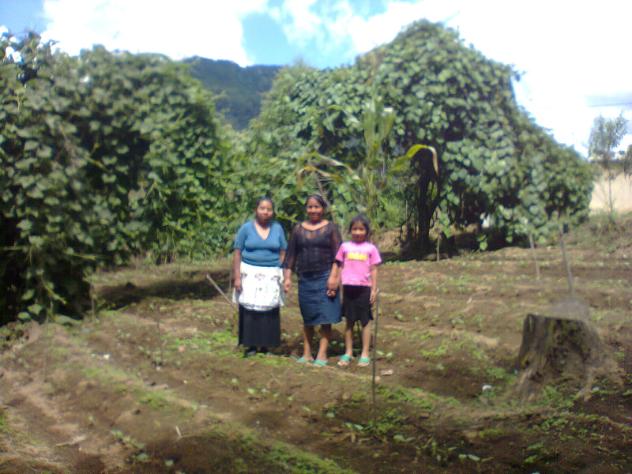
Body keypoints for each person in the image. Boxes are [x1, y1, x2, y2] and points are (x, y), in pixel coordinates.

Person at [283, 194, 342, 366]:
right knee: (308, 317)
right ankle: (307, 353)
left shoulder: (331, 228)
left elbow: (339, 256)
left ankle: (322, 354)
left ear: (323, 209)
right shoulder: (298, 229)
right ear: (306, 209)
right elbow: (291, 256)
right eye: (310, 207)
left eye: (317, 207)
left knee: (325, 316)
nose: (313, 210)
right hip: (305, 278)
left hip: (325, 276)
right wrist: (287, 278)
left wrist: (334, 277)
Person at [233, 197, 287, 357]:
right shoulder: (246, 228)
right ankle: (250, 346)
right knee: (249, 309)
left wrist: (283, 274)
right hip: (249, 273)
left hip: (271, 273)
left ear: (273, 212)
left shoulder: (277, 229)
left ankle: (266, 346)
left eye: (269, 209)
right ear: (256, 210)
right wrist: (237, 277)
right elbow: (237, 252)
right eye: (262, 208)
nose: (265, 212)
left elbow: (283, 251)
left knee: (269, 309)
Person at [335, 215, 381, 367]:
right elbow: (340, 266)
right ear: (350, 231)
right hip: (348, 287)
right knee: (349, 321)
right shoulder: (344, 247)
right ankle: (348, 352)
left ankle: (365, 353)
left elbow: (374, 269)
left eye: (361, 229)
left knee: (365, 321)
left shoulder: (371, 249)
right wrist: (338, 285)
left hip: (364, 288)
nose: (357, 232)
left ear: (366, 231)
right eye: (354, 229)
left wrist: (373, 289)